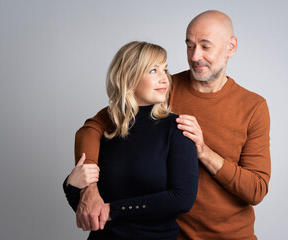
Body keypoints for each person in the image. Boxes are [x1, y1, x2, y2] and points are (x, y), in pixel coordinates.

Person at [74, 10, 271, 240]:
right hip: (172, 235)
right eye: (189, 45)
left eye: (205, 46)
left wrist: (204, 152)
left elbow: (256, 189)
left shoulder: (253, 106)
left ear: (231, 47)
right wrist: (89, 188)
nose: (195, 56)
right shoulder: (164, 88)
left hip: (232, 236)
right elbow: (92, 128)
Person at [63, 41, 199, 239]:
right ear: (129, 77)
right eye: (153, 71)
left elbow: (182, 199)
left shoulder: (176, 128)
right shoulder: (105, 130)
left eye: (165, 70)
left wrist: (113, 210)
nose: (164, 79)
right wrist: (71, 186)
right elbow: (88, 211)